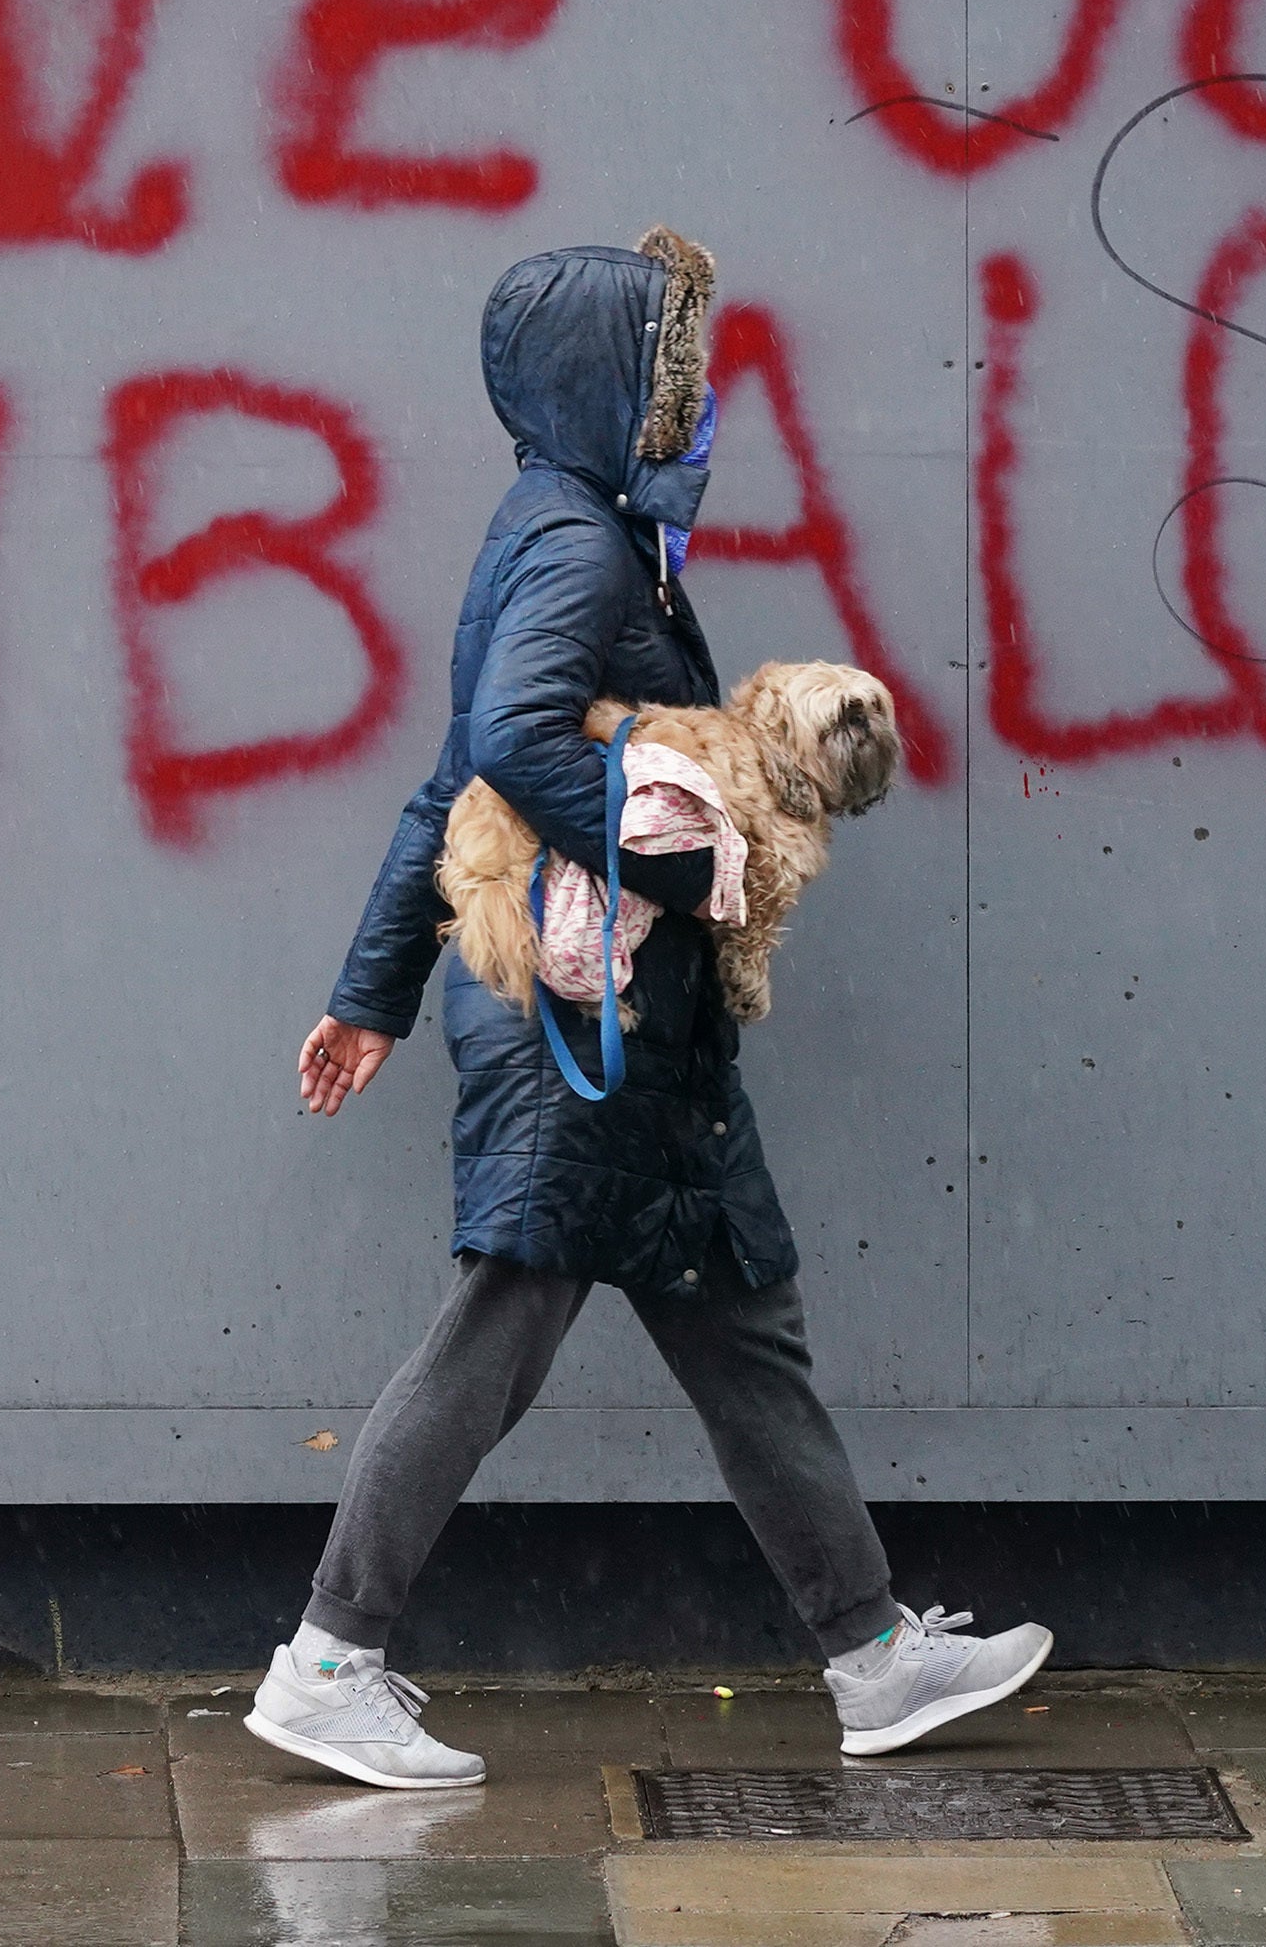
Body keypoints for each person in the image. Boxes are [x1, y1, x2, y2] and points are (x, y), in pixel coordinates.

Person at [247, 227, 1049, 1792]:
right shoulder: (581, 548)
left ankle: (873, 1658)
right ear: (608, 383)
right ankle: (329, 1663)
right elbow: (501, 739)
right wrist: (694, 874)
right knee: (494, 1338)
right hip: (582, 1033)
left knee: (744, 1327)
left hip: (635, 1035)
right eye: (668, 372)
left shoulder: (566, 524)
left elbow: (446, 782)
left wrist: (372, 998)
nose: (690, 404)